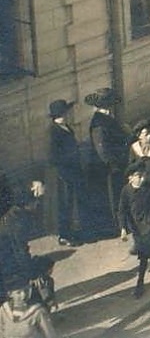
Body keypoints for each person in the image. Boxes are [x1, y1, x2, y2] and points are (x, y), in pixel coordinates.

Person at [86, 87, 129, 234]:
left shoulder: (105, 118)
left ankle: (121, 222)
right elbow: (101, 147)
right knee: (114, 195)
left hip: (113, 164)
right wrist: (113, 164)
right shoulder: (99, 123)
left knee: (116, 193)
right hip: (109, 167)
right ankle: (118, 225)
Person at [118, 162, 150, 298]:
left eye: (143, 175)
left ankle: (139, 284)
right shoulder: (126, 191)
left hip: (149, 224)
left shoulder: (148, 187)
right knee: (145, 250)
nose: (142, 178)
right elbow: (122, 211)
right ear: (130, 178)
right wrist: (123, 229)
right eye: (138, 176)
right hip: (135, 227)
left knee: (142, 255)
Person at [48, 99, 85, 246]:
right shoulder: (53, 131)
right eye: (63, 113)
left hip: (72, 170)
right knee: (64, 204)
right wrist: (70, 157)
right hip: (62, 174)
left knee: (72, 202)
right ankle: (64, 235)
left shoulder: (66, 127)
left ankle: (72, 231)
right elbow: (52, 156)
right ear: (57, 115)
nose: (66, 115)